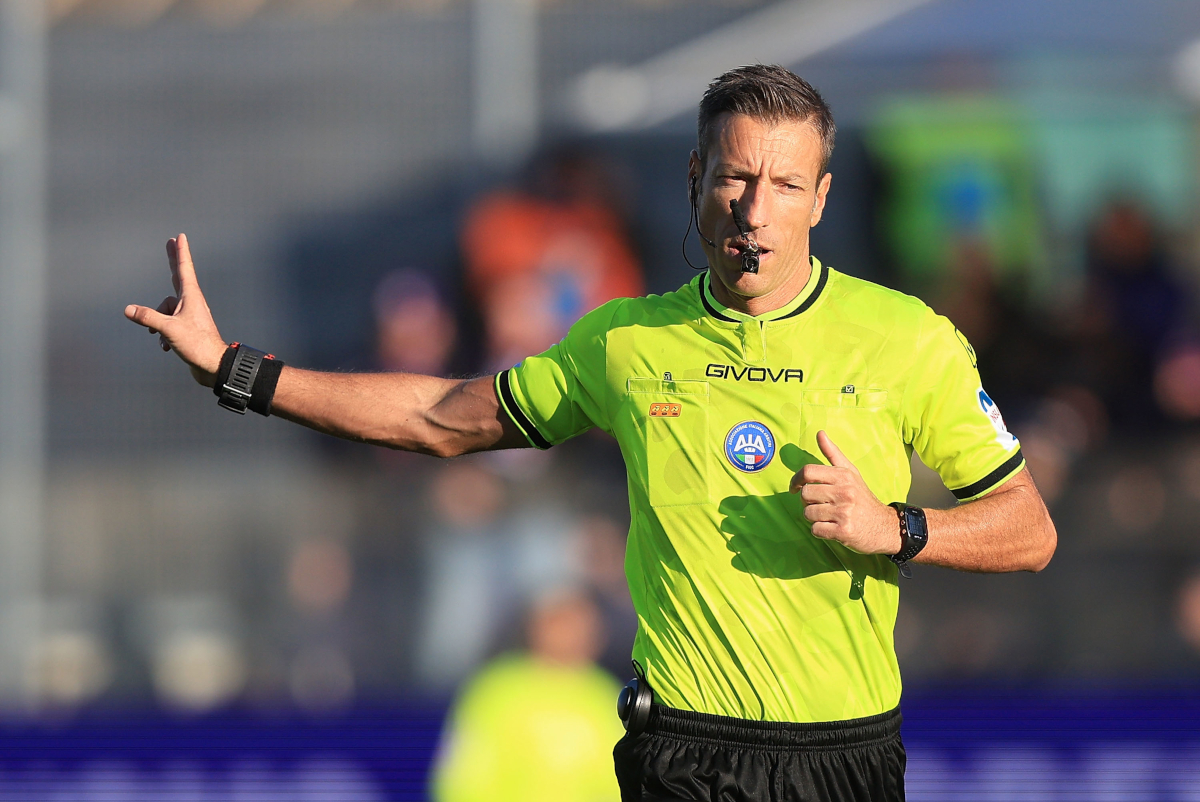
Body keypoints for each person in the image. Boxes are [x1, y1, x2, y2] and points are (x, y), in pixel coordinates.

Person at [125, 65, 1057, 802]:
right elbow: (440, 419)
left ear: (818, 198)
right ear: (697, 180)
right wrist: (237, 370)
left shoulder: (908, 339)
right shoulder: (628, 343)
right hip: (686, 750)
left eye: (782, 184)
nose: (753, 208)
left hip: (846, 755)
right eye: (734, 176)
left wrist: (896, 528)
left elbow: (1030, 531)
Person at [430, 588, 624, 802]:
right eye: (561, 623)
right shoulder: (496, 690)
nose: (571, 634)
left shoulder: (608, 696)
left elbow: (621, 780)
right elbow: (464, 778)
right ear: (536, 627)